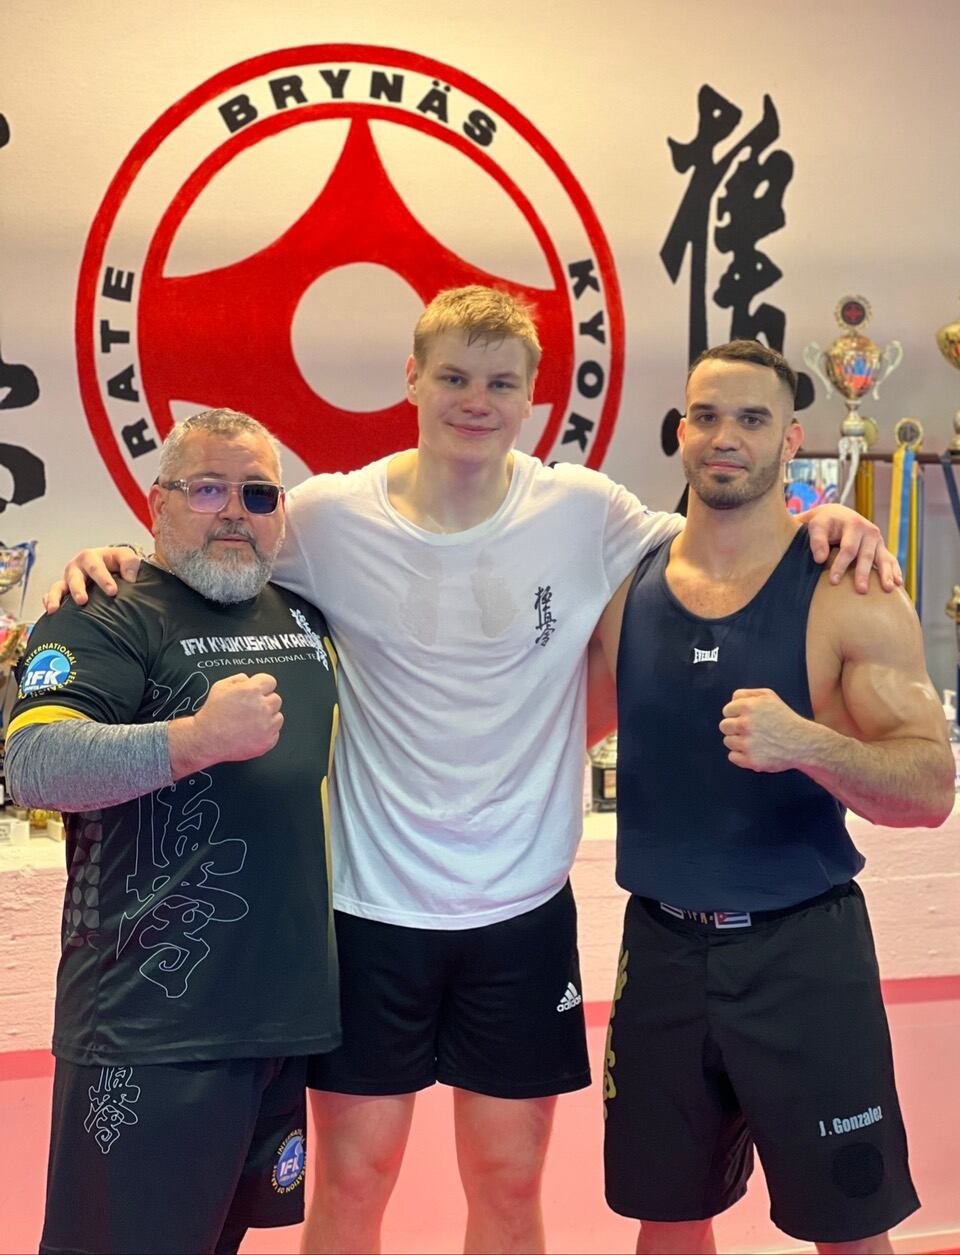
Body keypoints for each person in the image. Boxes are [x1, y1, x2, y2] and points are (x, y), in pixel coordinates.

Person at [46, 289, 898, 1255]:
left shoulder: (582, 510)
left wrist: (831, 516)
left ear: (532, 397)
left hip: (521, 910)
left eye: (499, 382)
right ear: (413, 378)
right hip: (371, 908)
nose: (474, 400)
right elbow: (211, 547)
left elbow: (725, 542)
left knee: (506, 1181)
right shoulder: (329, 516)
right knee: (354, 1180)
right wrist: (115, 555)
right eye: (452, 376)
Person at [594, 340, 954, 1255]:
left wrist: (810, 744)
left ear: (791, 438)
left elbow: (929, 787)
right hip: (664, 947)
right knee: (668, 1217)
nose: (726, 437)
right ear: (680, 430)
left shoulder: (848, 587)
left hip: (804, 950)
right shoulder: (624, 585)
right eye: (707, 415)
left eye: (752, 419)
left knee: (849, 1220)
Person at [8, 409, 340, 1255]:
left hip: (276, 1023)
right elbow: (35, 763)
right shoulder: (107, 609)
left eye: (258, 493)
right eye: (208, 487)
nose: (235, 509)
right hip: (147, 1031)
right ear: (157, 503)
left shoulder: (305, 616)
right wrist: (191, 741)